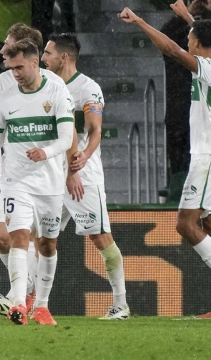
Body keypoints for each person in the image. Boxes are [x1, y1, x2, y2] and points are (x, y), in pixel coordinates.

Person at [118, 2, 211, 319]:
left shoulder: (207, 67)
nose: (187, 40)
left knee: (184, 224)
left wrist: (140, 20)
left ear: (196, 43)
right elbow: (205, 37)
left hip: (208, 155)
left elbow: (174, 51)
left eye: (190, 36)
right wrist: (187, 17)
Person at [0, 40, 76, 325]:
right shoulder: (5, 99)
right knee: (18, 237)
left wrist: (47, 152)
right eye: (11, 67)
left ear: (34, 62)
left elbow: (67, 138)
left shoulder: (57, 92)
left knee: (47, 245)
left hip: (50, 183)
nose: (15, 73)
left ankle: (42, 306)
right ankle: (18, 303)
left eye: (19, 66)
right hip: (15, 180)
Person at [41, 33, 130, 320]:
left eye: (48, 53)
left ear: (63, 57)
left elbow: (95, 131)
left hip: (82, 176)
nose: (43, 58)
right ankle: (31, 301)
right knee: (40, 237)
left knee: (100, 237)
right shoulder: (46, 85)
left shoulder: (87, 89)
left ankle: (121, 304)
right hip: (54, 175)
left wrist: (83, 160)